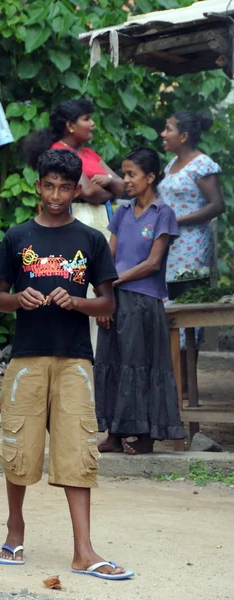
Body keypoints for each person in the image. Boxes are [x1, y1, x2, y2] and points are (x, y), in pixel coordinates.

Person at [0, 149, 133, 580]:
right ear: (38, 185)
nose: (56, 195)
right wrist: (19, 298)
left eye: (65, 188)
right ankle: (15, 531)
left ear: (77, 190)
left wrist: (78, 302)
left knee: (78, 452)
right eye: (49, 186)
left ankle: (84, 551)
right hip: (27, 359)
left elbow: (108, 301)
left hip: (74, 360)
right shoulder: (17, 237)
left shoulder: (90, 240)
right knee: (19, 450)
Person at [95, 148, 186, 455]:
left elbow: (153, 263)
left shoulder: (163, 214)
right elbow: (109, 255)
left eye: (132, 174)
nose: (126, 180)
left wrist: (115, 281)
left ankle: (147, 435)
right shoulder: (121, 211)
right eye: (124, 174)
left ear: (151, 177)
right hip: (116, 298)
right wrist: (104, 293)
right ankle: (115, 434)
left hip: (144, 301)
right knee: (112, 361)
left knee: (141, 364)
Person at [22, 99, 125, 352]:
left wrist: (109, 180)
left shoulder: (88, 154)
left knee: (103, 281)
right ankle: (87, 356)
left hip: (103, 223)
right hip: (80, 219)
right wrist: (107, 189)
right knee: (83, 281)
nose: (92, 124)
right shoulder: (61, 152)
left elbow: (124, 186)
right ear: (70, 125)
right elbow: (89, 192)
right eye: (86, 118)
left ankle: (103, 361)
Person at [159, 112, 225, 391]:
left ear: (183, 136)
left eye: (168, 128)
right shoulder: (172, 164)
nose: (163, 133)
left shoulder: (202, 165)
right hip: (170, 246)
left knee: (188, 310)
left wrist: (177, 220)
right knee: (170, 308)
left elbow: (216, 205)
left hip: (192, 246)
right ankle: (175, 380)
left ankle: (187, 384)